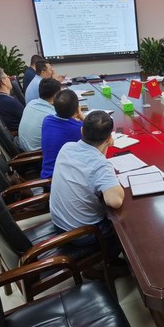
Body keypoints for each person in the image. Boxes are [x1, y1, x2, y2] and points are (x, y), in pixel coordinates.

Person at [49, 110, 125, 266]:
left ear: (82, 130)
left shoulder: (67, 147)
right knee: (123, 226)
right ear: (109, 139)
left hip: (58, 222)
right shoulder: (101, 165)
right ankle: (109, 264)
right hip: (81, 234)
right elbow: (115, 201)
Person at [40, 89, 84, 179]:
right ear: (77, 110)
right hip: (62, 180)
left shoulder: (47, 120)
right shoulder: (79, 129)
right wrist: (83, 117)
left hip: (48, 174)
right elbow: (95, 131)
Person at [17, 78, 60, 151]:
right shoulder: (52, 116)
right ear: (56, 95)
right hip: (35, 154)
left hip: (23, 146)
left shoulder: (31, 103)